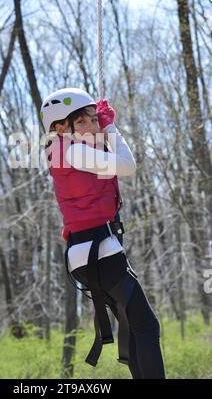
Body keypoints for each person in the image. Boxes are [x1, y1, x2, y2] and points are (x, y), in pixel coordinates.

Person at [40, 87, 165, 379]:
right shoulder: (70, 150)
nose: (92, 126)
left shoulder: (71, 151)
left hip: (89, 255)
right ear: (59, 128)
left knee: (135, 328)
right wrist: (111, 127)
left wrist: (104, 130)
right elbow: (127, 165)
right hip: (102, 254)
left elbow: (112, 163)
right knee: (147, 327)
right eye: (81, 122)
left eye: (94, 120)